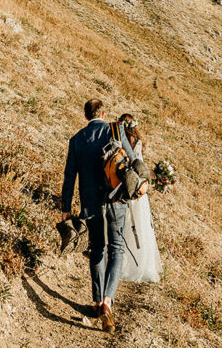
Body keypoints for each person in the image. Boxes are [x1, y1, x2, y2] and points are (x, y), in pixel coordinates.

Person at [60, 98, 136, 333]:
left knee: (97, 248)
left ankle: (95, 301)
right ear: (103, 113)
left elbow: (69, 176)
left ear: (85, 116)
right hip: (116, 199)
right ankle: (107, 300)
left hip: (91, 203)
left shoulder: (76, 140)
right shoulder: (115, 129)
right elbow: (133, 162)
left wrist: (65, 208)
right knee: (117, 248)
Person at [117, 114, 162, 283]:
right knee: (140, 225)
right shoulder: (137, 142)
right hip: (138, 188)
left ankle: (121, 258)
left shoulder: (120, 140)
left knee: (125, 222)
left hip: (123, 185)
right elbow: (139, 165)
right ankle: (141, 261)